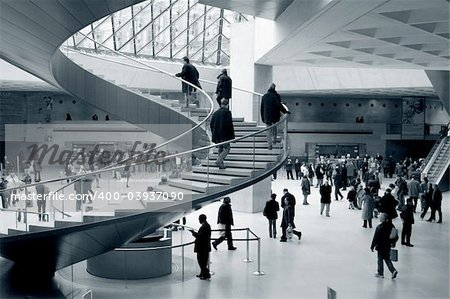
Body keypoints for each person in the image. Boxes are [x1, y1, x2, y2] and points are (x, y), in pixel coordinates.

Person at [260, 83, 289, 150]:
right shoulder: (276, 96)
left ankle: (269, 145)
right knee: (275, 127)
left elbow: (262, 108)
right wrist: (285, 111)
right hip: (274, 115)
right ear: (274, 88)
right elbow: (279, 105)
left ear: (268, 88)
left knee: (268, 130)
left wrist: (263, 117)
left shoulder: (264, 96)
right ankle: (275, 140)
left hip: (266, 116)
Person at [371, 213, 398, 280]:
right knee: (387, 258)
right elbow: (394, 235)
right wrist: (392, 243)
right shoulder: (391, 225)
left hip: (380, 246)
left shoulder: (379, 227)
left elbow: (376, 237)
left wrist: (372, 246)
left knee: (380, 259)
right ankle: (393, 270)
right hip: (387, 245)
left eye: (380, 217)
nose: (379, 218)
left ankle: (380, 273)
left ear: (383, 218)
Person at [210, 99, 235, 169]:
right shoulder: (227, 112)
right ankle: (219, 160)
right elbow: (229, 125)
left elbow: (211, 124)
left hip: (217, 135)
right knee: (227, 148)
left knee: (220, 148)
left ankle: (221, 164)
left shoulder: (215, 113)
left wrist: (213, 133)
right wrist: (232, 137)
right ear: (227, 105)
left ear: (221, 104)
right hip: (224, 135)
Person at [190, 214, 211, 280]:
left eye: (199, 219)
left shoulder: (205, 226)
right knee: (202, 261)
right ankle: (203, 273)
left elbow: (201, 236)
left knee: (202, 261)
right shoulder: (206, 225)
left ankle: (206, 274)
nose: (199, 220)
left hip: (203, 247)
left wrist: (193, 233)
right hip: (204, 247)